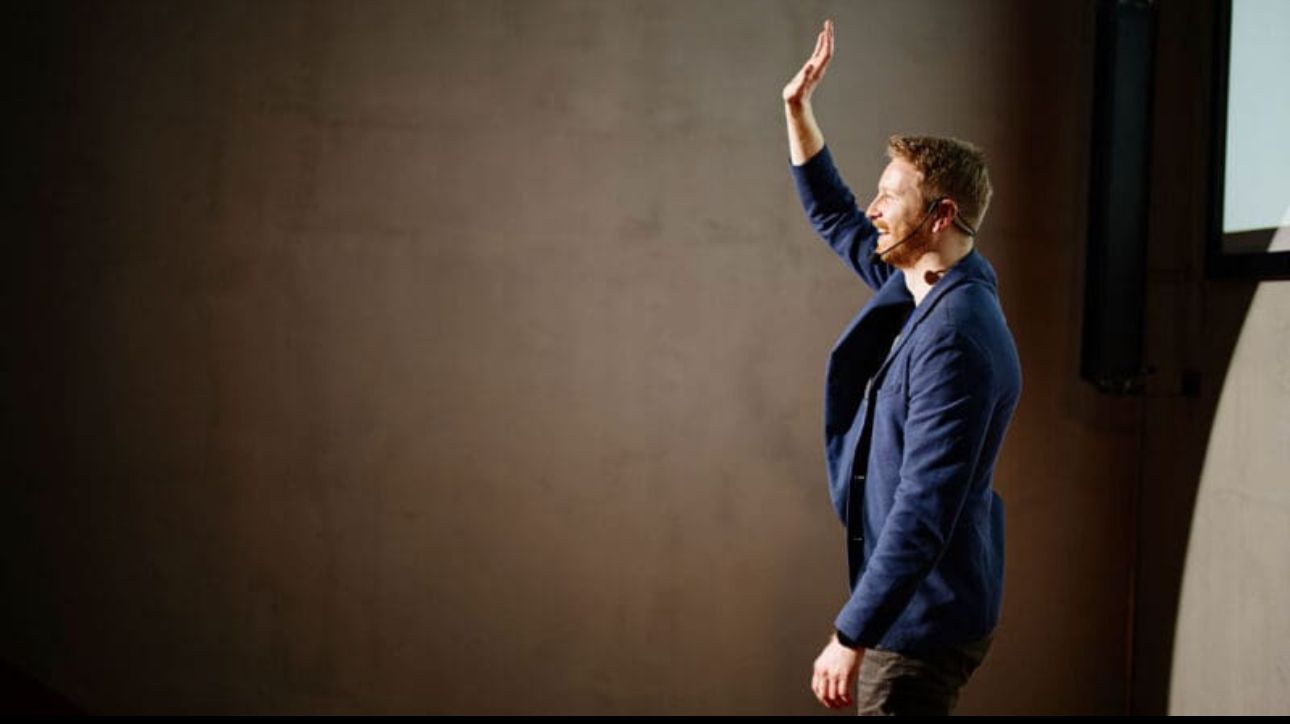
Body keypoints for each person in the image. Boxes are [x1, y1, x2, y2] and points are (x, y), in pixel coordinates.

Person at [782, 19, 1023, 715]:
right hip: (909, 606)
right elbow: (837, 217)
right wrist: (799, 111)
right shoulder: (926, 279)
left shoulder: (958, 337)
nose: (874, 208)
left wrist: (850, 634)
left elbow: (925, 508)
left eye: (891, 195)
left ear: (941, 214)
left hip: (920, 623)